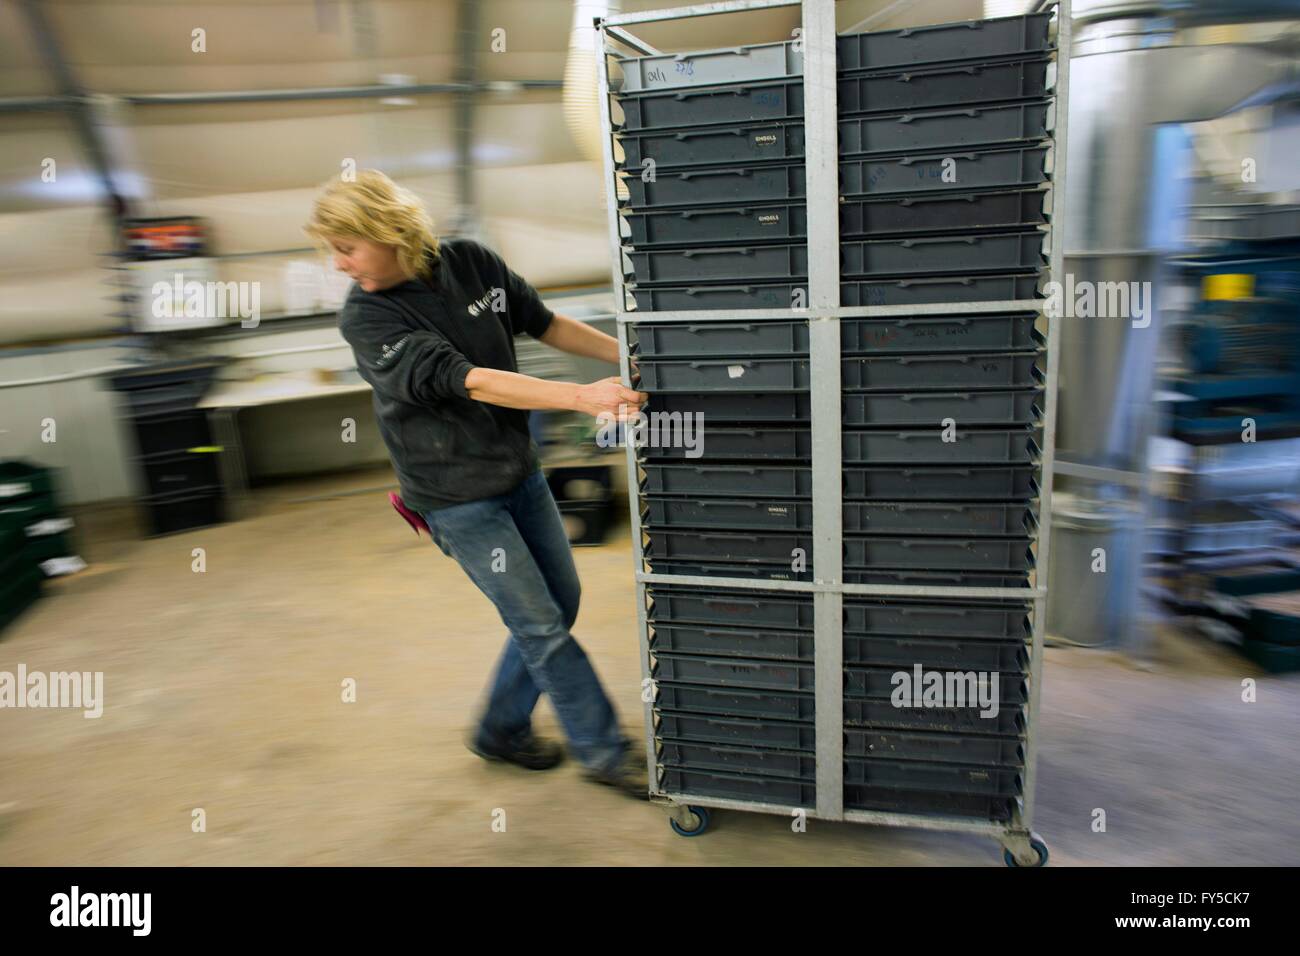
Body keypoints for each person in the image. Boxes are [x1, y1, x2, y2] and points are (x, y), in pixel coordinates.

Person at [306, 170, 649, 797]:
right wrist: (581, 396)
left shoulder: (471, 262)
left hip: (517, 470)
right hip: (456, 497)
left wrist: (633, 358)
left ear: (388, 232)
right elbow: (469, 379)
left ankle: (499, 730)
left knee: (559, 604)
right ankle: (604, 751)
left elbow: (546, 323)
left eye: (347, 247)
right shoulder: (368, 317)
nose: (339, 264)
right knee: (540, 625)